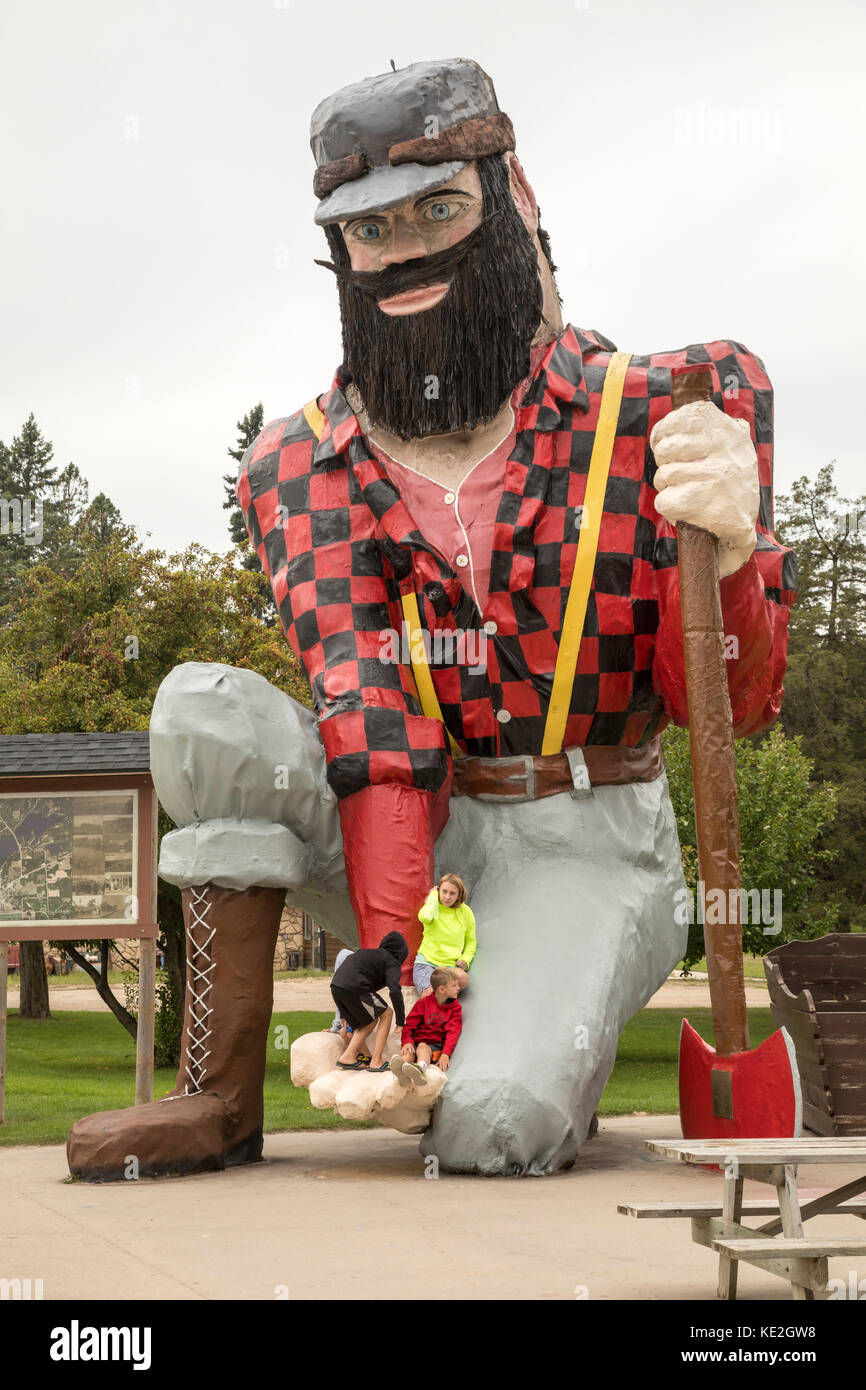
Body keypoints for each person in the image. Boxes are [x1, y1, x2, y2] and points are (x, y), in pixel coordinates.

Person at [67, 57, 795, 1182]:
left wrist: (735, 559)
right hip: (428, 813)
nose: (402, 251)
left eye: (437, 209)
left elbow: (735, 710)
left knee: (486, 1129)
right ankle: (217, 1094)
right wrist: (394, 964)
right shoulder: (299, 461)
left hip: (587, 832)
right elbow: (370, 722)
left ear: (514, 203)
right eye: (369, 231)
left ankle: (543, 1035)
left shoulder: (670, 404)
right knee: (201, 712)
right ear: (338, 250)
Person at [329, 931, 407, 1071]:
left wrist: (343, 1013)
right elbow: (394, 990)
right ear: (401, 953)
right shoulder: (391, 960)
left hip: (336, 987)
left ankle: (349, 1056)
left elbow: (344, 976)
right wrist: (400, 1020)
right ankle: (376, 1061)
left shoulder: (366, 954)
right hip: (356, 987)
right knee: (387, 1013)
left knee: (370, 1020)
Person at [391, 967, 462, 1086]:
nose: (458, 988)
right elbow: (409, 1025)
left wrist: (446, 1054)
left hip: (434, 1046)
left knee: (423, 1048)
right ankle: (401, 1074)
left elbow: (453, 1032)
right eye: (454, 985)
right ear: (442, 989)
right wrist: (407, 1041)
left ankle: (420, 1070)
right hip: (416, 1041)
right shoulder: (423, 1003)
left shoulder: (455, 1008)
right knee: (407, 1052)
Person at [415, 874, 476, 996]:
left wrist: (466, 959)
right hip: (427, 963)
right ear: (438, 891)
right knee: (430, 994)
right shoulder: (432, 906)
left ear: (459, 894)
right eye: (444, 891)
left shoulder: (466, 912)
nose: (447, 897)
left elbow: (471, 940)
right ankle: (437, 1001)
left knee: (462, 978)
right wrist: (432, 896)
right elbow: (424, 917)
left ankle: (443, 1000)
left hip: (449, 967)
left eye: (452, 893)